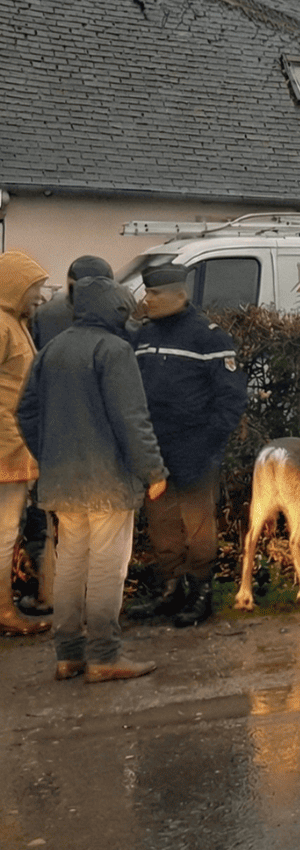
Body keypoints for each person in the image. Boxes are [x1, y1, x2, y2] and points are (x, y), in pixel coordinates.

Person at [16, 275, 168, 682]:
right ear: (113, 309)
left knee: (70, 566)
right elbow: (132, 420)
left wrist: (48, 454)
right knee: (106, 567)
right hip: (108, 482)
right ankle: (104, 654)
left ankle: (68, 656)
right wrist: (153, 470)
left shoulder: (50, 350)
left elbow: (25, 413)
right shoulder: (114, 350)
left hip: (61, 481)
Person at [131, 264, 249, 628]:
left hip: (196, 450)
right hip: (156, 451)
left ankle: (201, 593)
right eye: (146, 293)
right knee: (162, 524)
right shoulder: (142, 336)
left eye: (154, 294)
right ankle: (171, 590)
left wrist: (206, 445)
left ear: (179, 295)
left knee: (197, 527)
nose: (146, 300)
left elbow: (230, 400)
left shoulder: (209, 338)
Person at [19, 256, 114, 619]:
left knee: (54, 524)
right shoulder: (116, 321)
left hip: (56, 436)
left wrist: (38, 443)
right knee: (103, 529)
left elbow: (32, 387)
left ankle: (51, 596)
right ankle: (99, 606)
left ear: (69, 281)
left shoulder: (47, 317)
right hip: (101, 440)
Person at [0, 252, 50, 637]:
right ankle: (4, 611)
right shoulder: (1, 327)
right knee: (3, 534)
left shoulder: (13, 323)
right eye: (34, 288)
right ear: (15, 286)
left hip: (14, 447)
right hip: (5, 451)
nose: (41, 297)